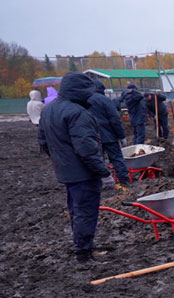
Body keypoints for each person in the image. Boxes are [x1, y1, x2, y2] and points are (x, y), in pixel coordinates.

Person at [38, 72, 111, 264]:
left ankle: (84, 248)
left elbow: (44, 142)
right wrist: (103, 172)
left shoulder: (48, 110)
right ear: (79, 90)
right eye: (88, 92)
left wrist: (62, 161)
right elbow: (87, 149)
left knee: (77, 211)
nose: (90, 96)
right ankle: (83, 254)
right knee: (86, 212)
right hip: (83, 173)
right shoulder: (77, 113)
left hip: (66, 171)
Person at [88, 78, 130, 185]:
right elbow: (114, 119)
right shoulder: (104, 100)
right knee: (117, 159)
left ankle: (100, 181)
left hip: (92, 136)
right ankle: (124, 181)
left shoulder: (84, 100)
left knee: (97, 159)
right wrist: (121, 136)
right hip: (108, 135)